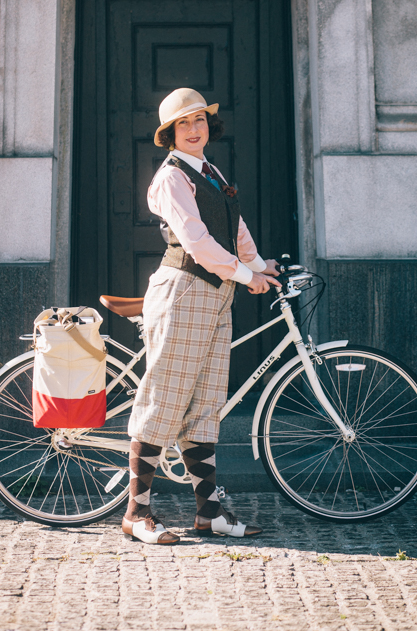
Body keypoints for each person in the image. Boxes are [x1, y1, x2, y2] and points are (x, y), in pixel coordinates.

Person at [122, 88, 281, 545]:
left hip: (216, 295)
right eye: (184, 124)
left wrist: (257, 265)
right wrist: (243, 274)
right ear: (170, 133)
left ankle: (208, 515)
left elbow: (235, 229)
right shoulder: (171, 177)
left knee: (205, 405)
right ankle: (136, 513)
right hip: (185, 292)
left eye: (200, 121)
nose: (194, 130)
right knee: (165, 398)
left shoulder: (209, 171)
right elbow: (196, 241)